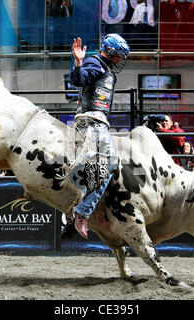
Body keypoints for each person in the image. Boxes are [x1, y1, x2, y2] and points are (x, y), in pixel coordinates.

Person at [68, 34, 130, 238]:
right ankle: (83, 211)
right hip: (91, 120)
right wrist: (78, 62)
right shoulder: (96, 62)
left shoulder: (106, 68)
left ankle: (87, 175)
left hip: (99, 122)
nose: (120, 60)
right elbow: (79, 79)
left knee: (110, 163)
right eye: (119, 55)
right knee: (111, 160)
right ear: (110, 51)